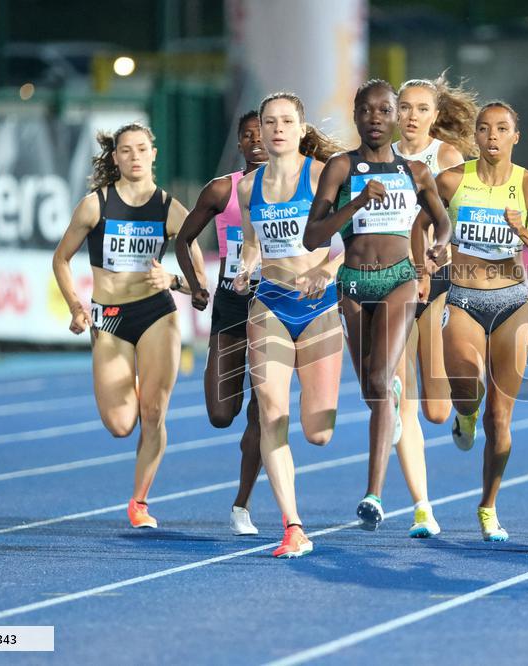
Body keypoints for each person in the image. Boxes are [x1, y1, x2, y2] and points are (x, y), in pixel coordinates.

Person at [304, 79, 452, 532]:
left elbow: (442, 223)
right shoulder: (340, 168)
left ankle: (373, 495)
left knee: (380, 377)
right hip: (352, 283)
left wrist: (437, 248)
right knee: (373, 393)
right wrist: (356, 205)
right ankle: (387, 412)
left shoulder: (415, 172)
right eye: (366, 111)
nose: (375, 118)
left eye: (384, 111)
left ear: (393, 118)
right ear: (355, 116)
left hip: (398, 282)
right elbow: (313, 236)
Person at [53, 122, 202, 529]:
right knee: (121, 425)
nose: (134, 156)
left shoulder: (172, 210)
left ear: (154, 153)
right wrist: (75, 306)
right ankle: (139, 382)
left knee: (154, 413)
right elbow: (60, 260)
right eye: (125, 150)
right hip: (111, 319)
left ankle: (139, 502)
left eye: (141, 149)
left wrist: (172, 281)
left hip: (156, 314)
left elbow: (200, 285)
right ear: (115, 157)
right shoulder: (94, 205)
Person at [437, 101, 528, 541]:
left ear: (516, 136)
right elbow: (420, 228)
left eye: (502, 128)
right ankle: (464, 414)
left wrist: (523, 232)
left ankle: (488, 505)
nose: (492, 136)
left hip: (513, 302)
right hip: (464, 298)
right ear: (475, 136)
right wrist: (429, 255)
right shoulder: (453, 182)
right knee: (468, 389)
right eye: (485, 129)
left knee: (502, 420)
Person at [234, 92, 347, 558]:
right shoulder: (247, 188)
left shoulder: (322, 176)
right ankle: (293, 526)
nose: (277, 129)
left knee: (318, 431)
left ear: (301, 129)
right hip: (270, 305)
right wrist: (246, 266)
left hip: (319, 307)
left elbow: (363, 242)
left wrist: (330, 267)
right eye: (269, 122)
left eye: (286, 121)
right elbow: (251, 244)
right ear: (259, 130)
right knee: (271, 413)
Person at [391, 74, 478, 537]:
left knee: (437, 411)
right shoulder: (378, 159)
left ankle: (466, 413)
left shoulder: (446, 158)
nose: (411, 117)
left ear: (435, 115)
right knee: (399, 394)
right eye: (404, 107)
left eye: (421, 109)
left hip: (436, 280)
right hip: (388, 284)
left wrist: (433, 262)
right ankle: (423, 507)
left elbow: (456, 223)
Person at [175, 111, 266, 536]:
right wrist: (195, 285)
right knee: (219, 412)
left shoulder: (303, 184)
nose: (256, 141)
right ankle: (248, 409)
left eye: (262, 133)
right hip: (232, 302)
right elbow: (182, 238)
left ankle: (242, 504)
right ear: (240, 144)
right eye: (246, 136)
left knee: (263, 409)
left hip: (276, 303)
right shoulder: (221, 189)